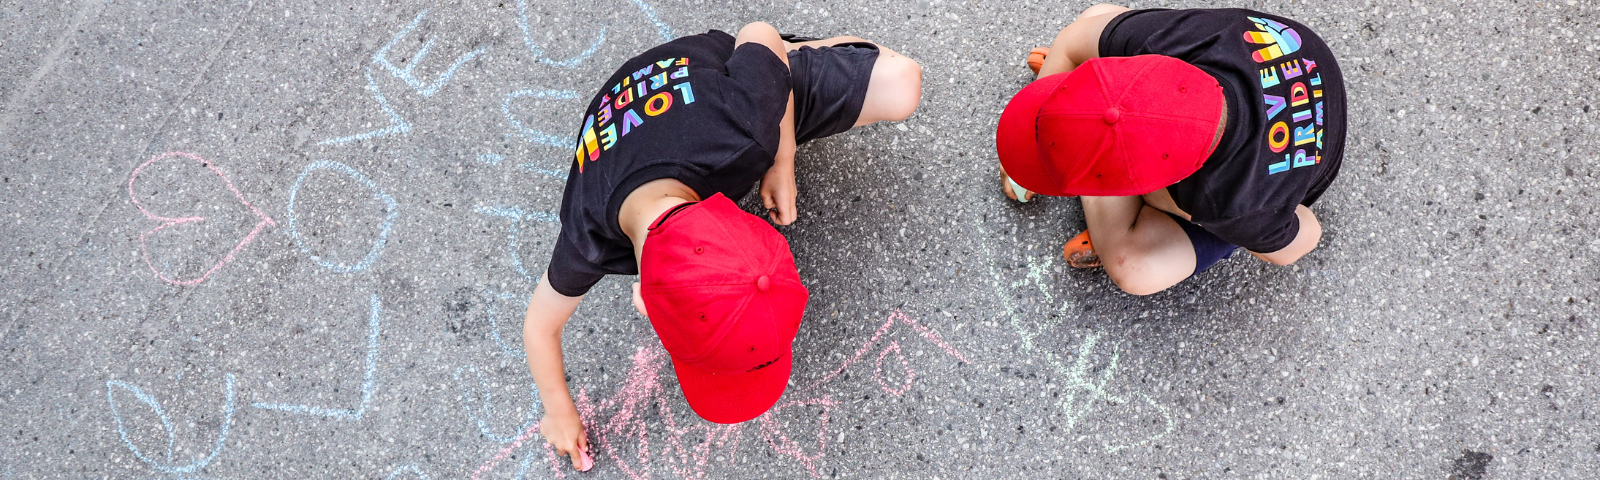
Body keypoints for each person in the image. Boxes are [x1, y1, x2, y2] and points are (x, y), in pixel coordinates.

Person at [521, 22, 922, 470]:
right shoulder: (586, 232)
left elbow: (760, 31)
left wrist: (780, 155)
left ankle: (795, 57)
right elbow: (539, 328)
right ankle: (776, 71)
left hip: (715, 74)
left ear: (643, 302)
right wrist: (557, 411)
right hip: (648, 104)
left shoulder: (748, 132)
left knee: (902, 84)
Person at [996, 5, 1346, 295]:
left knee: (1133, 268)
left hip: (1237, 196)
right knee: (1097, 17)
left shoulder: (1233, 203)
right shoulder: (1176, 40)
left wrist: (1216, 220)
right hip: (1284, 53)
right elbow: (1074, 41)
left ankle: (1124, 205)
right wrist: (1053, 111)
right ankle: (1080, 106)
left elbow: (1305, 236)